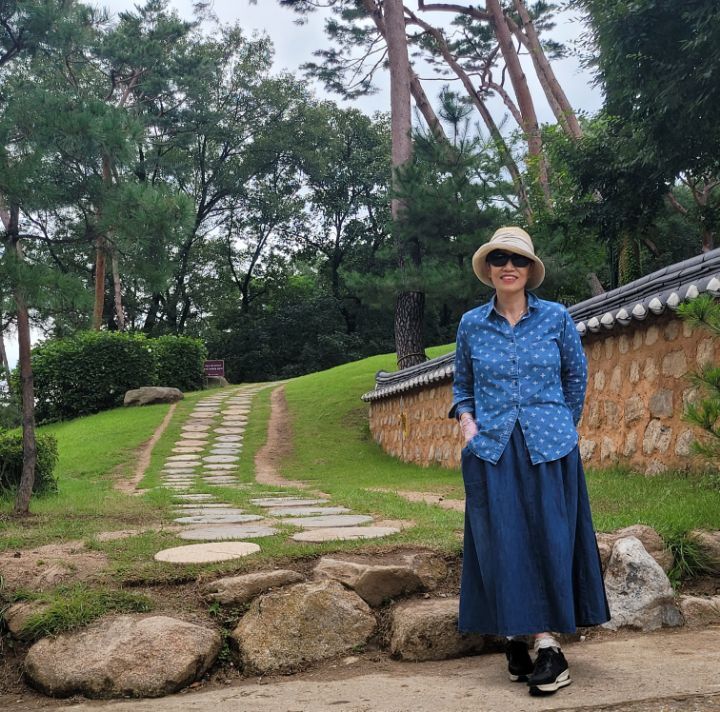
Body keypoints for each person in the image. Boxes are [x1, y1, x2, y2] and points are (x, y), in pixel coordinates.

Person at [449, 226, 610, 696]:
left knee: (549, 539)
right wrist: (469, 427)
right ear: (489, 269)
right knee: (502, 542)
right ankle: (516, 636)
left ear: (530, 269)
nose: (508, 266)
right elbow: (462, 388)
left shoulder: (556, 317)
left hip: (549, 448)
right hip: (493, 449)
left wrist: (561, 426)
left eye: (518, 259)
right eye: (499, 258)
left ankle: (549, 647)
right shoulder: (471, 325)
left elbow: (575, 378)